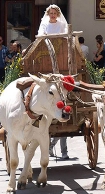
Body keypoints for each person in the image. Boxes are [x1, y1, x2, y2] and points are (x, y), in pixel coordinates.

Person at [38, 4, 69, 159]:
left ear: (58, 14)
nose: (52, 15)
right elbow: (41, 35)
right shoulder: (44, 23)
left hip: (60, 53)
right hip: (45, 53)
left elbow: (65, 36)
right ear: (47, 14)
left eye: (54, 13)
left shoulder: (62, 23)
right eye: (50, 13)